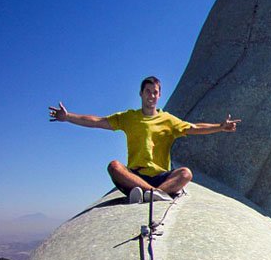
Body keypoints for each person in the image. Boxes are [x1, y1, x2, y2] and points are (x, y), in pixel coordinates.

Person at [49, 76, 240, 203]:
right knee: (114, 166)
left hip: (161, 176)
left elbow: (194, 128)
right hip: (136, 177)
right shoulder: (129, 117)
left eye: (155, 92)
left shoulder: (168, 120)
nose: (152, 95)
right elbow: (97, 121)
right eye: (148, 91)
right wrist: (68, 117)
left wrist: (220, 127)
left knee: (185, 173)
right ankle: (156, 194)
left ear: (159, 95)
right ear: (141, 93)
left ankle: (151, 194)